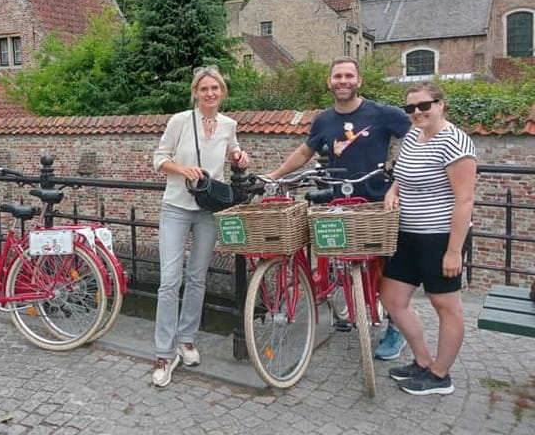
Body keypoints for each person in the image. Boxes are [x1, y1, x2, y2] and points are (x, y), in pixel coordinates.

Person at [266, 56, 411, 358]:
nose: (343, 81)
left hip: (375, 202)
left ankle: (396, 329)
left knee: (387, 270)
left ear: (359, 81)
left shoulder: (383, 113)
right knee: (337, 256)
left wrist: (398, 170)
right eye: (337, 76)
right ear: (329, 82)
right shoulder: (324, 120)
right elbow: (306, 151)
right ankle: (346, 299)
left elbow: (416, 136)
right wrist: (275, 175)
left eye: (348, 76)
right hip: (338, 201)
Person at [151, 66, 249, 388]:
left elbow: (232, 152)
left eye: (215, 89)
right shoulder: (180, 121)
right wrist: (183, 168)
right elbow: (158, 159)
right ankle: (164, 353)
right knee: (169, 279)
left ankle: (187, 339)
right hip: (177, 207)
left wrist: (239, 157)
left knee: (196, 278)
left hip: (208, 209)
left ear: (222, 93)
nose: (210, 94)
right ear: (195, 92)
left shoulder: (228, 125)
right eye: (204, 89)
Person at [381, 81, 476, 395]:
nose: (417, 113)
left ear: (441, 105)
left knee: (445, 305)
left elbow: (464, 200)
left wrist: (453, 251)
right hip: (408, 233)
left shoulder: (455, 142)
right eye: (410, 108)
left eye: (424, 106)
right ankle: (422, 361)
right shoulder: (412, 135)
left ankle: (440, 375)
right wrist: (393, 192)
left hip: (440, 236)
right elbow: (401, 175)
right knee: (392, 299)